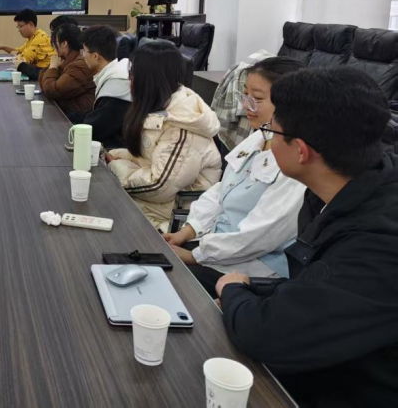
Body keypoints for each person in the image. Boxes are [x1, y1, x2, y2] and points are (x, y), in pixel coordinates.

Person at [216, 68, 398, 407]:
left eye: (273, 131)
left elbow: (268, 336)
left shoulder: (378, 244)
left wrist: (232, 290)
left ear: (301, 150)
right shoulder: (352, 185)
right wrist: (251, 290)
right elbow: (319, 288)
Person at [162, 57, 306, 297]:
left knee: (171, 285)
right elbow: (222, 190)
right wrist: (188, 231)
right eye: (245, 95)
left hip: (253, 266)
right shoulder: (259, 137)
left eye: (257, 99)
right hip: (216, 246)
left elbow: (259, 236)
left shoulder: (295, 163)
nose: (245, 105)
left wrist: (195, 256)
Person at [106, 40, 221, 230]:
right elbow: (148, 158)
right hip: (155, 204)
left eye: (133, 74)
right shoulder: (162, 107)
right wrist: (115, 156)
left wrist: (115, 167)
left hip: (174, 216)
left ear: (148, 80)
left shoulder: (182, 126)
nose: (129, 80)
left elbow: (158, 186)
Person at [76, 25, 131, 148]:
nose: (83, 55)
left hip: (116, 148)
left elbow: (96, 129)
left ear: (95, 56)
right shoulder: (117, 71)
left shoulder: (117, 85)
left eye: (84, 51)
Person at [38, 24, 96, 119]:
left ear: (64, 43)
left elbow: (51, 90)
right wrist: (52, 67)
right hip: (67, 113)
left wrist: (53, 68)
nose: (53, 46)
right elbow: (43, 83)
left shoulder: (79, 65)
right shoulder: (66, 60)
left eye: (55, 42)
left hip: (76, 118)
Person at [0, 9, 54, 77]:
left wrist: (16, 54)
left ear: (31, 24)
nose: (19, 30)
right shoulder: (34, 36)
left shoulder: (39, 40)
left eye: (20, 26)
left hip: (43, 75)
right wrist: (3, 47)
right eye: (18, 27)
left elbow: (21, 60)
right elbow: (19, 51)